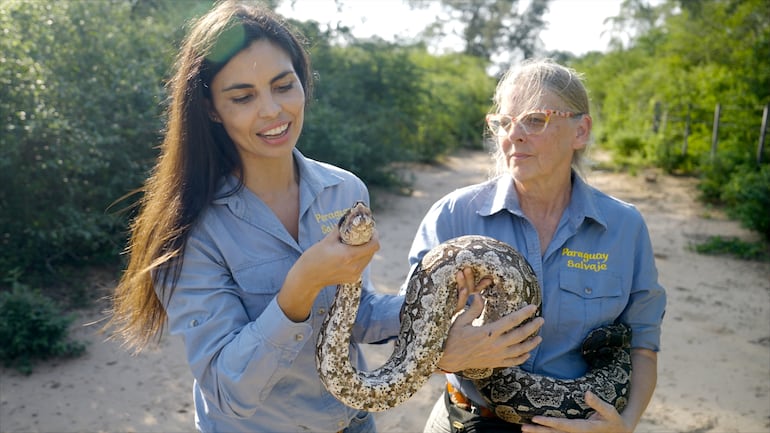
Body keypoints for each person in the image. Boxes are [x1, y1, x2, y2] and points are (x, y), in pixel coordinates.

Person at [104, 1, 539, 431]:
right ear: (212, 109)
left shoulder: (345, 190)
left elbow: (359, 313)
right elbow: (225, 392)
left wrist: (441, 306)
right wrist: (300, 286)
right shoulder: (190, 227)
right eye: (243, 96)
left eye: (283, 85)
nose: (272, 110)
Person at [408, 58, 666, 433]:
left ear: (581, 131)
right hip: (467, 422)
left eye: (534, 120)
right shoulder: (453, 216)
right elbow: (408, 334)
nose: (514, 135)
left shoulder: (624, 228)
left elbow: (642, 344)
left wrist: (624, 425)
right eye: (504, 122)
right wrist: (445, 356)